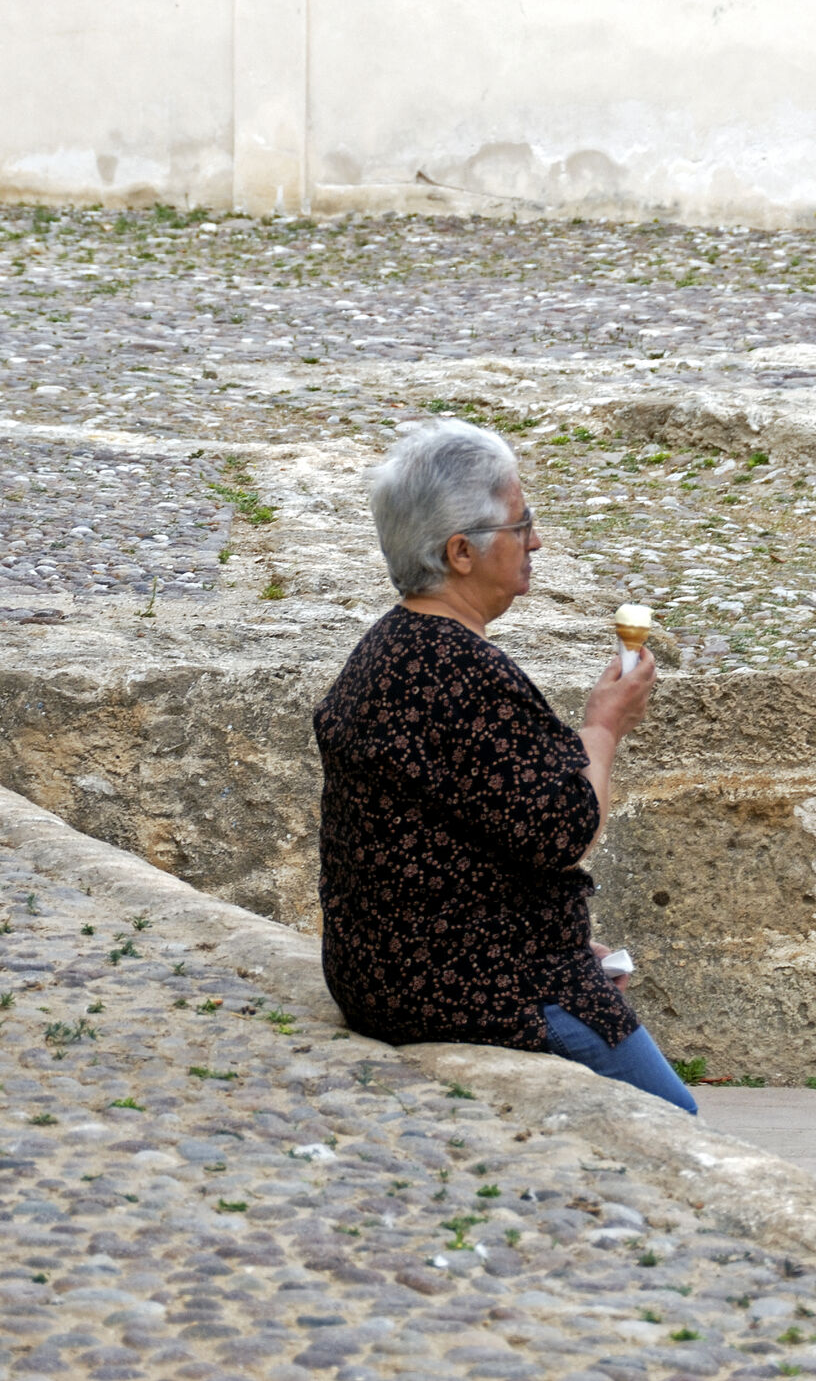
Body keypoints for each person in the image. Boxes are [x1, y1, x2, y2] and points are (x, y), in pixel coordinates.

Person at [311, 418, 696, 1112]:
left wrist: (564, 940)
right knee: (678, 1121)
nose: (536, 541)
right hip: (471, 993)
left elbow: (450, 847)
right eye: (522, 525)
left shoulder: (384, 651)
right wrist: (605, 724)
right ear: (462, 551)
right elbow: (564, 828)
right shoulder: (464, 672)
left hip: (385, 976)